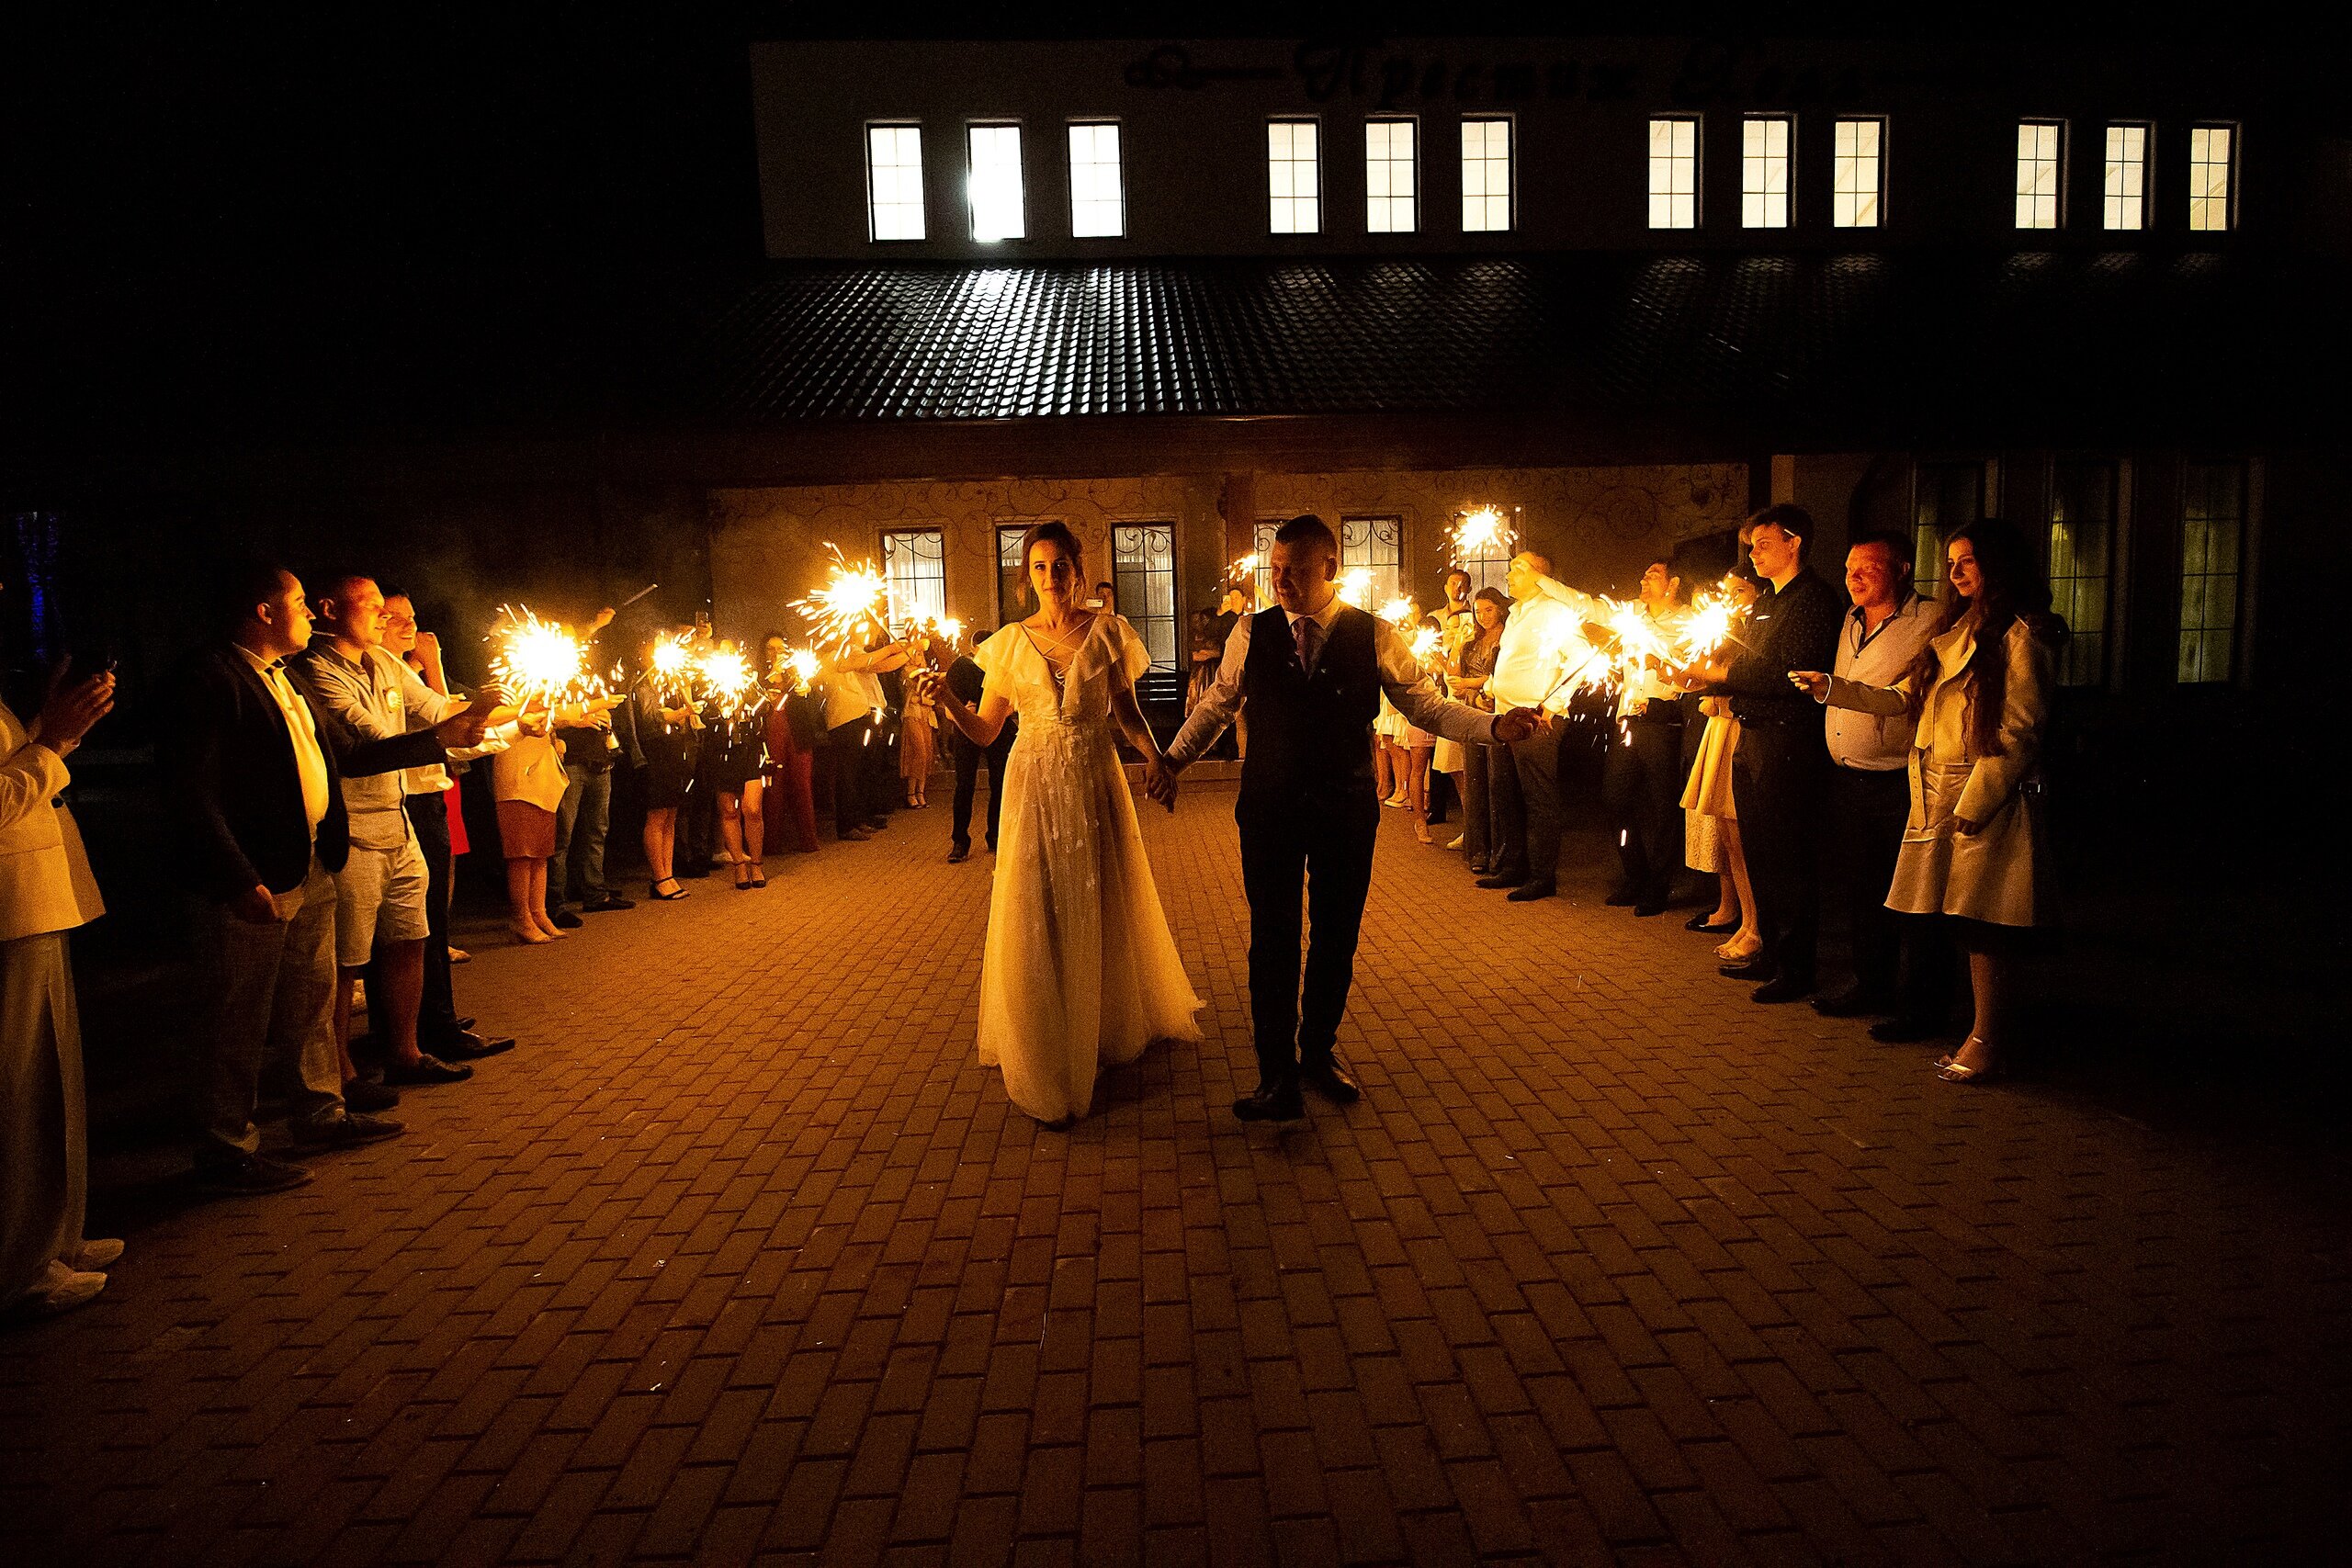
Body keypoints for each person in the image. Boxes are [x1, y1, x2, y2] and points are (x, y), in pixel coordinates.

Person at [1148, 515, 1534, 1122]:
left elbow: (1426, 705)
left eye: (1295, 571)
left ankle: (1317, 1053)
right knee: (1271, 938)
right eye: (1275, 571)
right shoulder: (1252, 632)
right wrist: (1173, 760)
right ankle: (1275, 1074)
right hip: (1271, 806)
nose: (1281, 582)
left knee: (1336, 935)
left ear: (1330, 567)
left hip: (1346, 808)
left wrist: (1491, 726)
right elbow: (1218, 705)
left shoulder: (1373, 633)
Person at [161, 562, 479, 1192]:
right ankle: (227, 1146)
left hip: (311, 859)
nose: (310, 611)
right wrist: (235, 873)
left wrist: (438, 739)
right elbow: (191, 790)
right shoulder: (209, 678)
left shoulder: (284, 678)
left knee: (310, 997)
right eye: (301, 601)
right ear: (263, 611)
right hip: (257, 873)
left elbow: (351, 756)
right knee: (239, 1012)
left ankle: (321, 1110)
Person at [913, 523, 1200, 1126]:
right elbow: (988, 730)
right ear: (1028, 577)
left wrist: (1156, 759)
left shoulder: (1106, 633)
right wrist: (946, 699)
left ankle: (1100, 1026)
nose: (1051, 578)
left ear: (1077, 566)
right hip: (1032, 785)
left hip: (1095, 779)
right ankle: (1046, 1032)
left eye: (1061, 565)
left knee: (1100, 897)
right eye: (1039, 568)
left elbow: (1127, 716)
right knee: (1037, 902)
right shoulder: (1009, 645)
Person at [1793, 519, 2064, 1081]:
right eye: (1952, 561)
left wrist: (1974, 803)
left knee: (1984, 924)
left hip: (1979, 797)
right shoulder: (1960, 627)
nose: (1956, 571)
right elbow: (1907, 699)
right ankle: (1977, 1032)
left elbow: (2019, 730)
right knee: (1957, 918)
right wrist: (1833, 690)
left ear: (1998, 564)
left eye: (1967, 561)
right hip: (1937, 791)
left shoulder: (2020, 634)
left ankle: (1986, 1038)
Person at [289, 574, 503, 1088]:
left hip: (399, 815)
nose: (385, 618)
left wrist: (518, 718)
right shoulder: (318, 669)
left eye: (388, 609)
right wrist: (453, 729)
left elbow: (437, 711)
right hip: (354, 827)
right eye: (373, 608)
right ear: (329, 609)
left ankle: (406, 1052)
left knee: (411, 937)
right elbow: (375, 739)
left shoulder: (383, 661)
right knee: (346, 959)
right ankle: (340, 1067)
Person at [1, 599, 118, 1318]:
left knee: (56, 1083)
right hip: (11, 912)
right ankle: (21, 1265)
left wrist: (55, 730)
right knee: (21, 1097)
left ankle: (56, 1237)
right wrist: (51, 747)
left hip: (40, 904)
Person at [1697, 506, 1843, 1002]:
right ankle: (1772, 953)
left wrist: (1719, 678)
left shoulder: (1813, 601)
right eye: (1751, 545)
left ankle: (1797, 967)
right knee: (1759, 851)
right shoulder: (1768, 601)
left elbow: (1786, 674)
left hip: (1787, 742)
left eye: (1762, 543)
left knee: (1788, 855)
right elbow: (1749, 663)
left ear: (1794, 542)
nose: (1753, 554)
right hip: (1753, 735)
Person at [376, 592, 514, 1063]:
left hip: (425, 799)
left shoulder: (400, 672)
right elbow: (446, 719)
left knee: (426, 925)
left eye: (415, 616)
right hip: (405, 802)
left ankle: (432, 1020)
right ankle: (422, 1028)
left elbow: (457, 726)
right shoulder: (381, 674)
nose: (412, 626)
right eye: (398, 617)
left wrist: (525, 718)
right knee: (415, 928)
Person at [1812, 532, 1939, 1021]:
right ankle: (1871, 985)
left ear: (1903, 569)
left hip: (1899, 783)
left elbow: (1907, 696)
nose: (1853, 578)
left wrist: (1833, 689)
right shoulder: (1849, 620)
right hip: (1849, 780)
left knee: (1909, 895)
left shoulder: (1928, 620)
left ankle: (1919, 1002)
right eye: (1848, 569)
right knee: (1863, 890)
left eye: (1868, 567)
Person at [1482, 552, 1600, 902]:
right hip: (1504, 717)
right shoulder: (1517, 613)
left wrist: (1553, 704)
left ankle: (1542, 875)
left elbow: (1582, 657)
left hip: (1535, 719)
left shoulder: (1555, 611)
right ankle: (1514, 865)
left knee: (1538, 799)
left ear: (1540, 577)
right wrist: (1491, 688)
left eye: (1519, 569)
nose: (1509, 574)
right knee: (1506, 795)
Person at [1597, 559, 1694, 917]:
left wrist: (1663, 666)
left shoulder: (1687, 621)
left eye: (1653, 574)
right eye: (1644, 573)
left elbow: (1692, 672)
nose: (1644, 578)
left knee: (1662, 807)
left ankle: (1659, 885)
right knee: (1614, 797)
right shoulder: (1632, 615)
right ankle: (1635, 874)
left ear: (1674, 583)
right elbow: (1595, 614)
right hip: (1628, 719)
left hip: (1662, 721)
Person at [1680, 569, 1765, 961]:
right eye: (1727, 591)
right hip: (1719, 730)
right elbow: (1699, 679)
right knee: (1728, 836)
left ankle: (1757, 925)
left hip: (1737, 730)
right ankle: (1746, 920)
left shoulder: (1758, 633)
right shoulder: (1726, 634)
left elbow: (1747, 681)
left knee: (1742, 834)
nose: (1731, 599)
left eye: (1741, 591)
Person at [550, 605, 630, 920]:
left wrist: (603, 716)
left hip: (599, 761)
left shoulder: (585, 671)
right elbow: (550, 715)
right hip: (570, 762)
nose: (577, 645)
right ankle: (555, 903)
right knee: (562, 836)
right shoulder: (547, 675)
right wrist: (579, 719)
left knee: (597, 830)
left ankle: (594, 892)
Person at [630, 635, 701, 897]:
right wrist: (683, 713)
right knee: (657, 814)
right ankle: (658, 877)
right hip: (655, 751)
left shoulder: (670, 677)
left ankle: (668, 873)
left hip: (673, 749)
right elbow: (650, 717)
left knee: (671, 813)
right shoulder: (642, 681)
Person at [697, 641, 768, 888]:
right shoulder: (706, 685)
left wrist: (747, 708)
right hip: (721, 754)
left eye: (730, 651)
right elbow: (702, 716)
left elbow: (765, 706)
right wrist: (719, 713)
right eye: (722, 652)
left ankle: (757, 864)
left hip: (749, 750)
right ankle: (739, 865)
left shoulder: (748, 680)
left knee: (752, 809)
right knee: (728, 811)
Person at [943, 624, 1013, 863]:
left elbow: (1013, 700)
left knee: (1000, 784)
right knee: (965, 785)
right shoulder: (961, 668)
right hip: (965, 733)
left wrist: (997, 714)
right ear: (973, 649)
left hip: (999, 731)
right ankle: (960, 840)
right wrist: (965, 712)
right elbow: (949, 709)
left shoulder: (1000, 668)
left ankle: (995, 836)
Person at [1451, 588, 1508, 874]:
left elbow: (1502, 675)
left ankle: (1501, 851)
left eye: (1488, 609)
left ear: (1500, 609)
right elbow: (1454, 675)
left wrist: (1472, 684)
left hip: (1497, 714)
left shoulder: (1509, 638)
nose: (1483, 616)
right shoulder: (1472, 642)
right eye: (1478, 610)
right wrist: (1455, 645)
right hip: (1470, 715)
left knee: (1497, 783)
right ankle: (1478, 850)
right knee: (1474, 781)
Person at [759, 632, 821, 856]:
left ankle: (808, 840)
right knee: (773, 786)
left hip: (798, 734)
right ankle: (772, 843)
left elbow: (813, 705)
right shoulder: (759, 675)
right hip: (772, 733)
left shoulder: (799, 674)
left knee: (802, 786)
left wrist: (806, 693)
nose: (776, 653)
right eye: (771, 649)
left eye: (781, 649)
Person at [899, 625, 938, 807]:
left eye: (921, 654)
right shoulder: (906, 671)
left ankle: (921, 792)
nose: (919, 657)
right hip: (912, 713)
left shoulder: (928, 671)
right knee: (918, 753)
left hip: (926, 713)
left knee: (927, 754)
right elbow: (916, 680)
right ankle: (910, 793)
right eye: (916, 653)